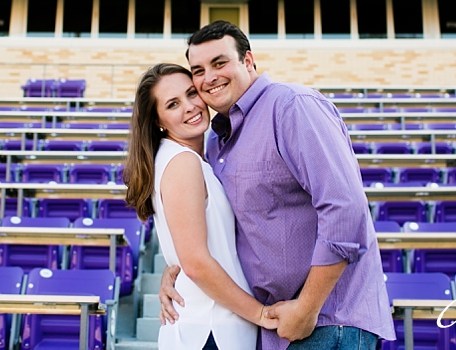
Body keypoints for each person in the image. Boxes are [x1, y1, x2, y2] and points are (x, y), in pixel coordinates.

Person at [160, 21, 396, 350]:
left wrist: (307, 307)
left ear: (248, 60)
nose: (208, 77)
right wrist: (175, 273)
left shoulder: (292, 106)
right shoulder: (215, 141)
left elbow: (345, 211)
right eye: (198, 70)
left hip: (326, 322)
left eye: (219, 63)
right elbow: (220, 228)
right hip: (274, 328)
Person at [124, 63, 278, 350]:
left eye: (191, 94)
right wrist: (262, 315)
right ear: (158, 120)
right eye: (173, 104)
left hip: (214, 327)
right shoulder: (182, 162)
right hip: (210, 331)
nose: (190, 107)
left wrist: (172, 270)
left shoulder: (194, 157)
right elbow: (196, 263)